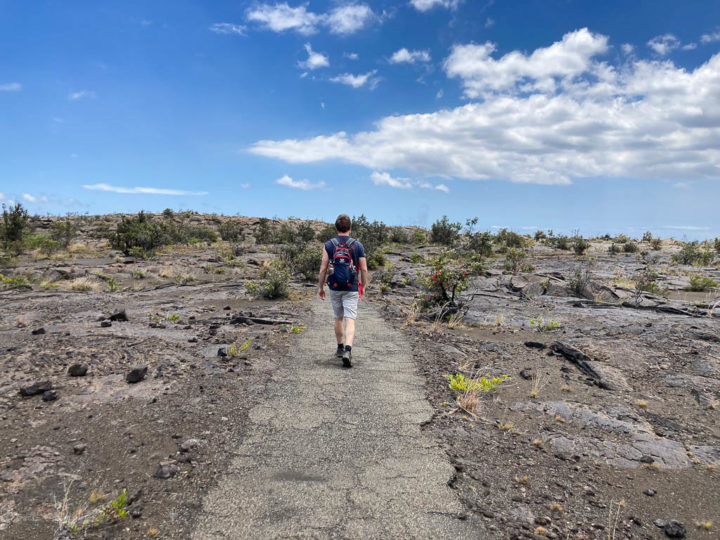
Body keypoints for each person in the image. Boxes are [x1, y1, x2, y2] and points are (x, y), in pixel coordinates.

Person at [317, 214, 368, 368]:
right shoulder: (357, 245)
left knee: (338, 317)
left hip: (335, 287)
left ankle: (340, 347)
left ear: (336, 227)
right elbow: (364, 269)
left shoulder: (329, 244)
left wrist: (320, 287)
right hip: (351, 287)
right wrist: (363, 286)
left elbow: (323, 268)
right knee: (350, 319)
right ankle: (348, 350)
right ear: (350, 228)